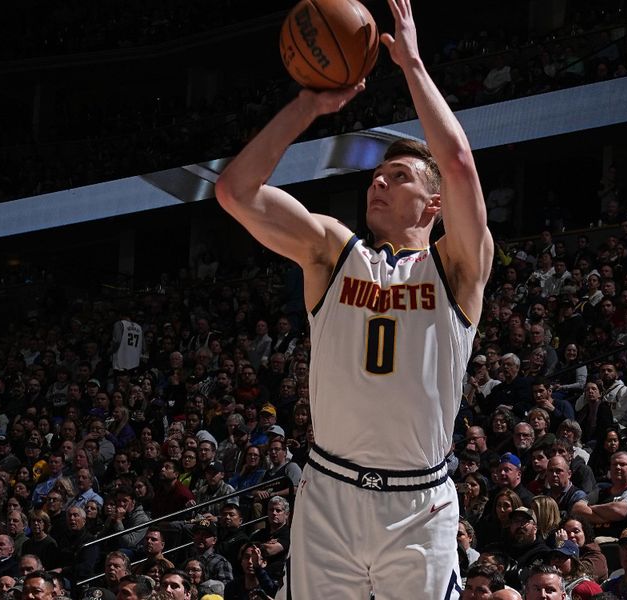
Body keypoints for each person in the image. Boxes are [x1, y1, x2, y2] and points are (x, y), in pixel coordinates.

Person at [216, 2, 493, 596]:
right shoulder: (333, 252)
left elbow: (460, 164)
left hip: (418, 505)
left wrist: (414, 67)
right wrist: (308, 105)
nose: (379, 180)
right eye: (377, 174)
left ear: (433, 205)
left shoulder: (457, 268)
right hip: (329, 495)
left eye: (398, 176)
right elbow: (236, 192)